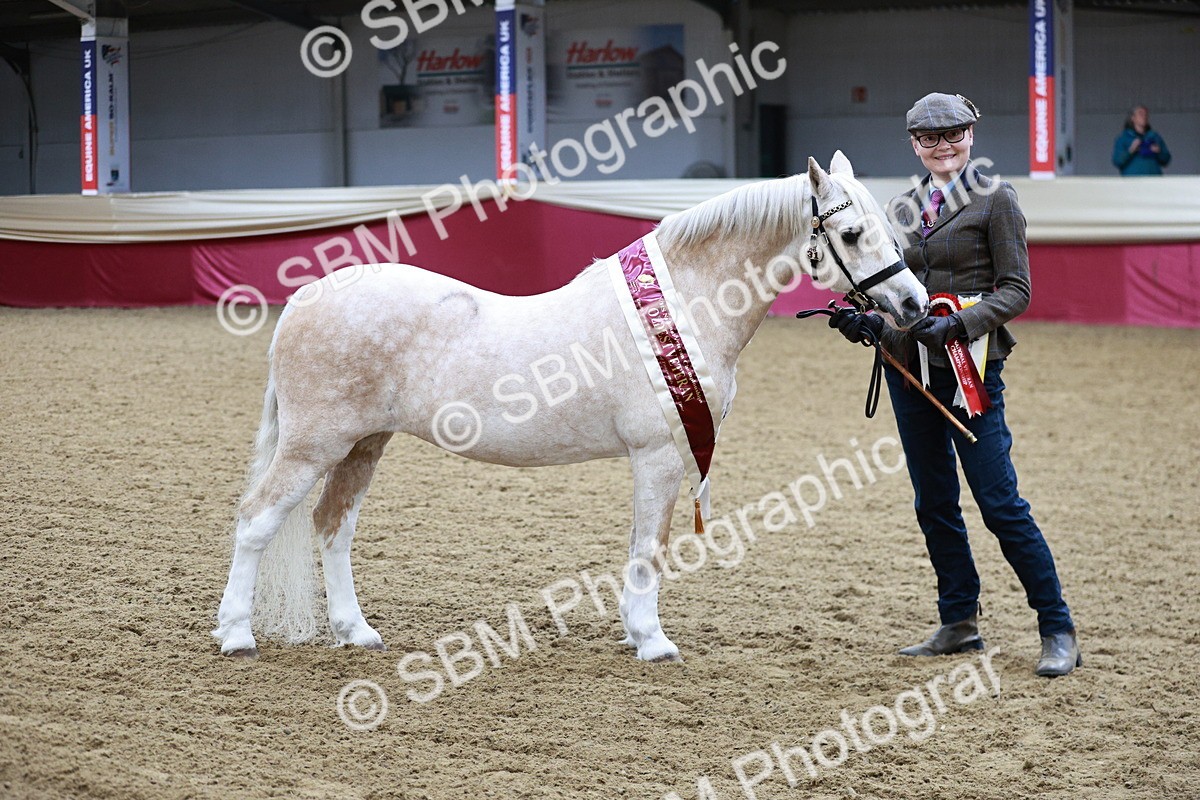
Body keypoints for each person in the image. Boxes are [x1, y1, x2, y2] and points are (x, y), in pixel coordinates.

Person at [831, 92, 1081, 677]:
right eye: (929, 139)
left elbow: (1016, 289)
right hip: (908, 371)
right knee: (934, 502)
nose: (942, 146)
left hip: (970, 372)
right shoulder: (901, 208)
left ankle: (1057, 625)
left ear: (971, 135)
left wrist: (959, 324)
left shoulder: (997, 200)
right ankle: (959, 622)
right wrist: (867, 321)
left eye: (954, 135)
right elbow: (896, 291)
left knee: (999, 503)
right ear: (914, 145)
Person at [1112, 105, 1171, 176]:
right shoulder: (1123, 138)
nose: (1144, 116)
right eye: (1140, 114)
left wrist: (1158, 152)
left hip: (1154, 181)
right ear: (1133, 118)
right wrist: (1131, 150)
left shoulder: (1155, 137)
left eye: (1146, 114)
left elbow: (1166, 160)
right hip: (1132, 182)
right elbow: (1117, 161)